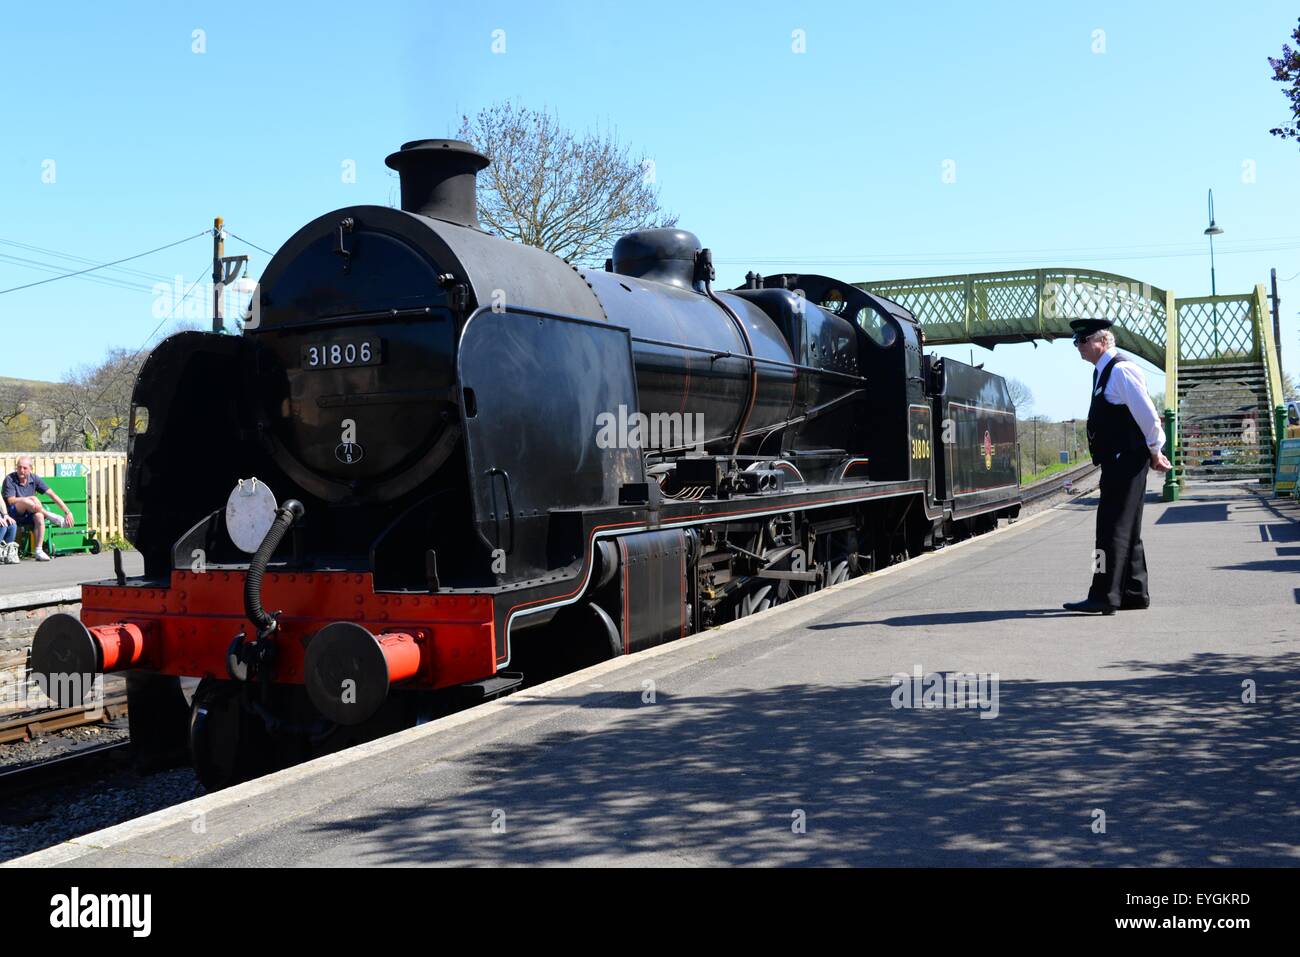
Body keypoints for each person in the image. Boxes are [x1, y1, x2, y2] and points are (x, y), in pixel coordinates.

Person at [1062, 319, 1172, 615]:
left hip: (1124, 459)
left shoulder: (1120, 370)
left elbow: (1148, 415)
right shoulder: (1105, 371)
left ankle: (1103, 594)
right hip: (1121, 460)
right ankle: (1134, 591)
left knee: (1109, 530)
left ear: (1101, 341)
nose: (1077, 347)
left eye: (1081, 341)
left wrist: (1155, 449)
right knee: (1127, 528)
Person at [2, 456, 73, 562]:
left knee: (39, 516)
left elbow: (52, 494)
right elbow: (11, 500)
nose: (21, 470)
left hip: (31, 511)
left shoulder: (34, 478)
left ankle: (39, 551)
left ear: (31, 469)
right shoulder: (10, 479)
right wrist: (29, 498)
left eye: (25, 468)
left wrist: (68, 512)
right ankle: (50, 515)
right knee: (29, 500)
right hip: (13, 514)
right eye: (19, 467)